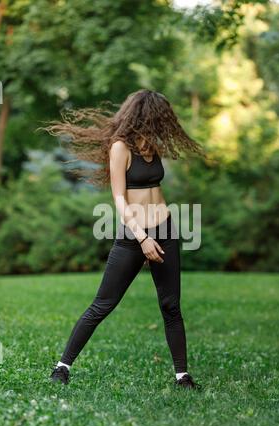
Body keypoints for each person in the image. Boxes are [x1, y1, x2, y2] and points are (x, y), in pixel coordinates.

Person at [43, 89, 205, 389]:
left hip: (165, 232)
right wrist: (142, 237)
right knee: (102, 304)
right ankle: (62, 367)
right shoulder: (120, 147)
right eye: (158, 117)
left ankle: (182, 375)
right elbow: (119, 196)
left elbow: (155, 190)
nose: (162, 123)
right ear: (143, 115)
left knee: (171, 306)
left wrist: (162, 229)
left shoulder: (152, 146)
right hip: (134, 235)